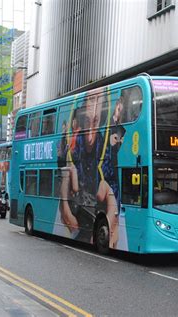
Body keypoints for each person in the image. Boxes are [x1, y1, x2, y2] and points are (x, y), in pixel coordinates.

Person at [59, 87, 120, 248]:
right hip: (75, 218)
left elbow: (112, 187)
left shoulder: (106, 151)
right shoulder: (71, 148)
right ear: (79, 120)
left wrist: (112, 208)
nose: (91, 135)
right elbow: (62, 172)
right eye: (87, 121)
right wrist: (65, 205)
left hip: (92, 217)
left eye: (96, 122)